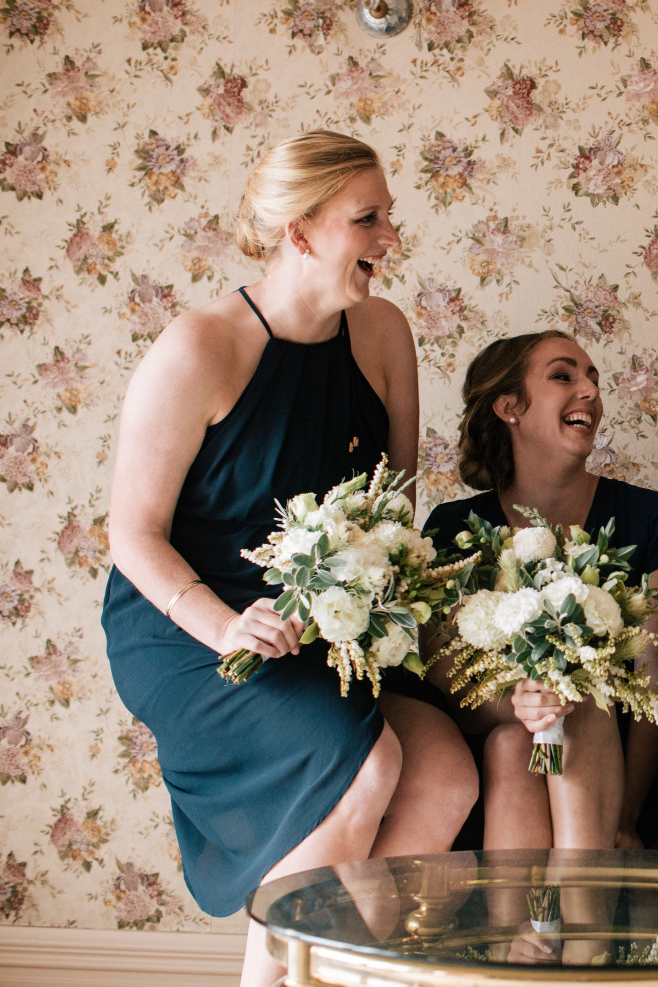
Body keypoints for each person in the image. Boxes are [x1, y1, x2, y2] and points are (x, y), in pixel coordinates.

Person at [100, 130, 477, 987]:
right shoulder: (200, 348)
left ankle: (343, 970)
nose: (390, 238)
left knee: (446, 773)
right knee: (367, 764)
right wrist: (227, 626)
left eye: (389, 216)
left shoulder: (383, 334)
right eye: (368, 219)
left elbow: (391, 513)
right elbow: (132, 535)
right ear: (299, 232)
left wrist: (367, 608)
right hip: (190, 628)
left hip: (324, 628)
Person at [422, 331, 658, 853]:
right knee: (513, 740)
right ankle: (555, 906)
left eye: (593, 378)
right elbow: (447, 679)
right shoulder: (453, 529)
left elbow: (656, 680)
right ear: (510, 407)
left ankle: (581, 886)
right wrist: (517, 706)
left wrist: (626, 816)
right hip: (497, 765)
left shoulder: (651, 518)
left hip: (622, 773)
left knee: (584, 698)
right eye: (563, 376)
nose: (590, 391)